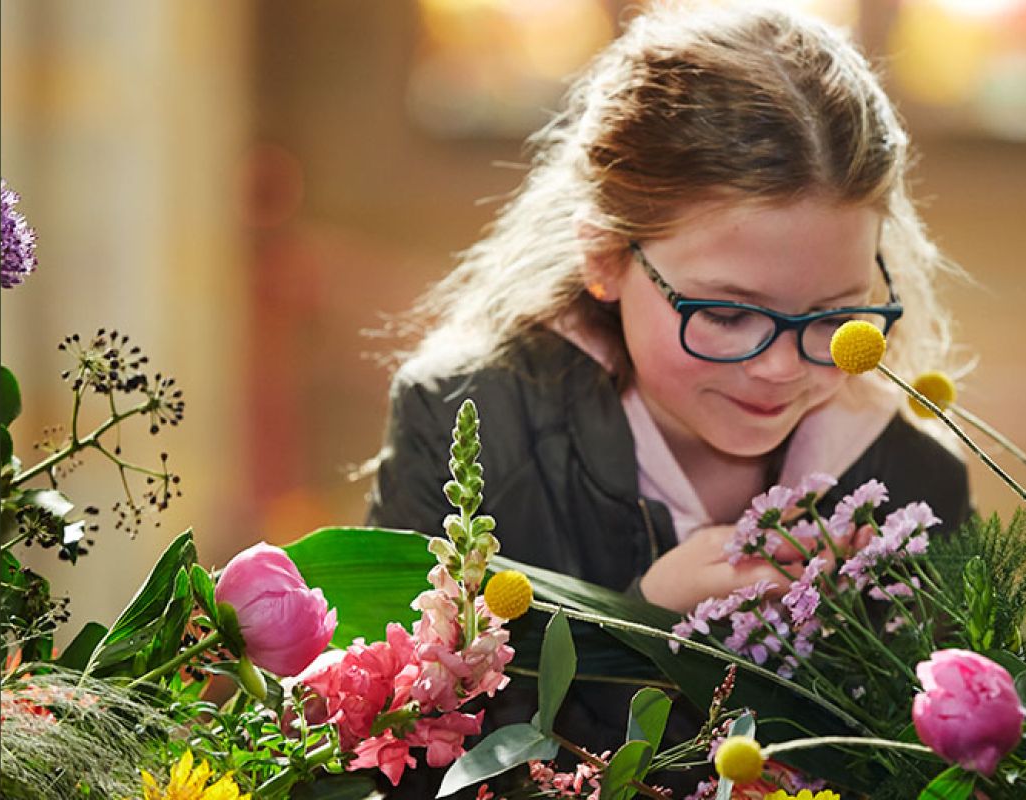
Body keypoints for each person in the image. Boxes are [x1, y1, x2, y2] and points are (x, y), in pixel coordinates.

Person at [363, 3, 970, 794]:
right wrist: (643, 627)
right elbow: (387, 762)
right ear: (605, 257)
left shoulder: (912, 485)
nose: (784, 368)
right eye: (724, 314)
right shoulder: (467, 427)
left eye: (833, 316)